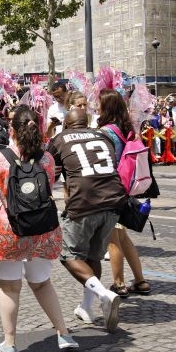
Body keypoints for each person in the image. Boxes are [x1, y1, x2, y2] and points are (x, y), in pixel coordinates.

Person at [0, 105, 77, 352]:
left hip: (9, 230)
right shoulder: (47, 159)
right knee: (41, 284)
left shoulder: (0, 157)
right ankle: (63, 333)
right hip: (42, 228)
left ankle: (9, 343)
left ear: (12, 130)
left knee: (9, 287)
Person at [46, 108, 125, 332]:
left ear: (67, 125)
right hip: (113, 200)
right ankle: (87, 308)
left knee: (68, 254)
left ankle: (103, 294)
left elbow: (49, 168)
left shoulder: (60, 138)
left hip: (84, 201)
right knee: (93, 255)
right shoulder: (103, 135)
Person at [96, 89, 151, 297]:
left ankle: (119, 283)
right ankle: (140, 280)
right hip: (126, 186)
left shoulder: (106, 132)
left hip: (112, 187)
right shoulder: (126, 127)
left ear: (106, 107)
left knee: (113, 237)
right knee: (123, 236)